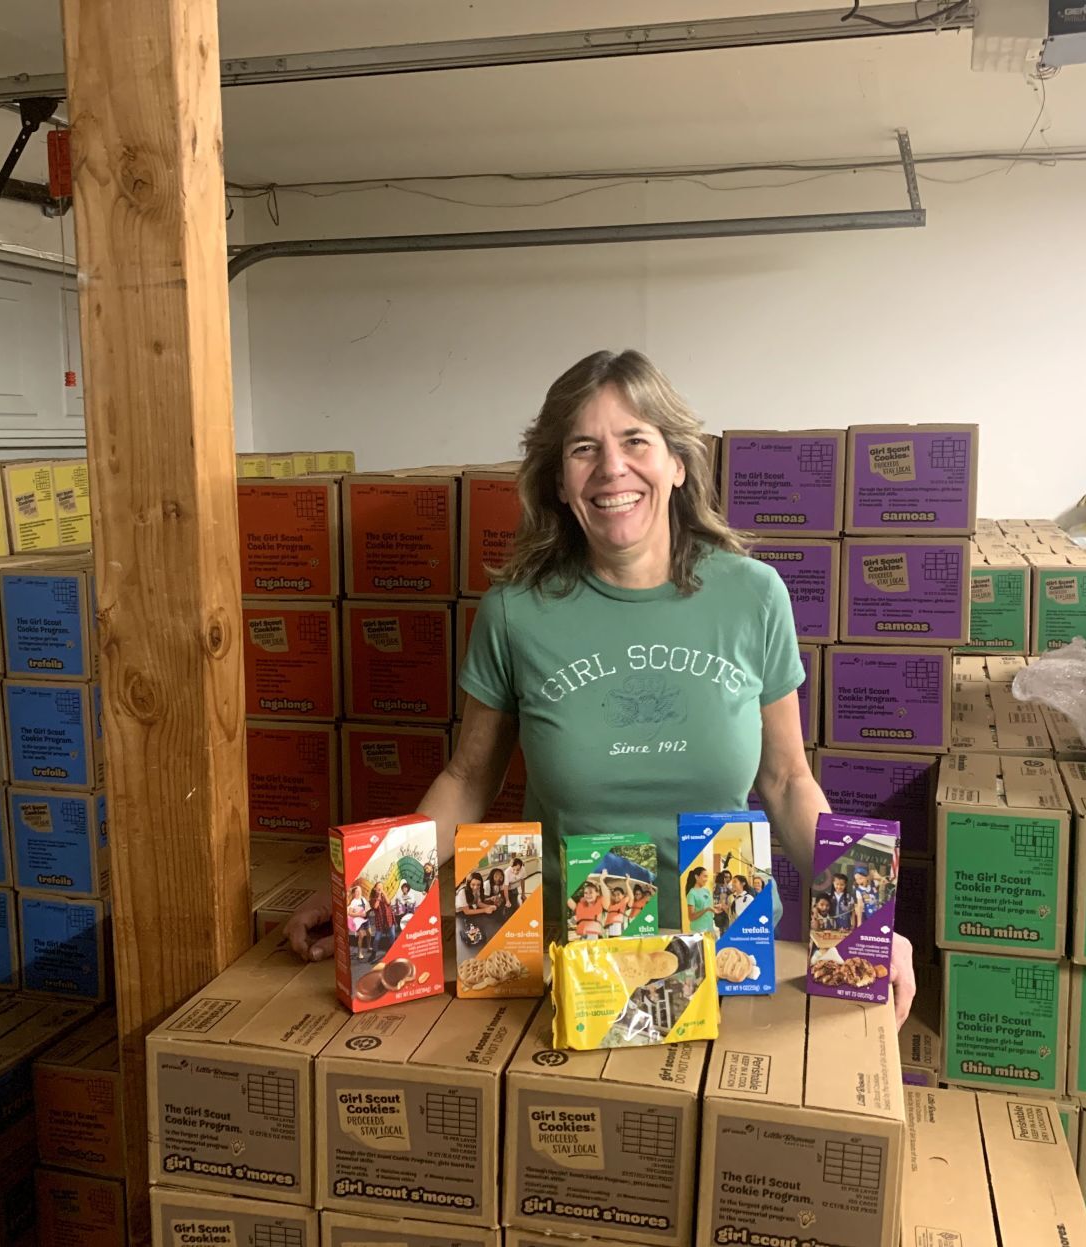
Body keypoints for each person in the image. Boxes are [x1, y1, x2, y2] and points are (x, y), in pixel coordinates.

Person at [285, 349, 914, 1024]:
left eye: (635, 440)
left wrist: (872, 928)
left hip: (730, 967)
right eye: (584, 448)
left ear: (677, 462)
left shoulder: (753, 596)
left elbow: (789, 782)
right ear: (559, 481)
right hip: (569, 976)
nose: (612, 467)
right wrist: (372, 892)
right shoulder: (516, 611)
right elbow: (468, 779)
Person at [685, 866, 717, 934]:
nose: (706, 879)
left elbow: (709, 907)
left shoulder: (707, 891)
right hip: (698, 931)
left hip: (710, 929)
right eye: (704, 876)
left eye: (707, 877)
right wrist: (706, 909)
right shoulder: (691, 894)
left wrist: (717, 907)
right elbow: (691, 917)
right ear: (696, 877)